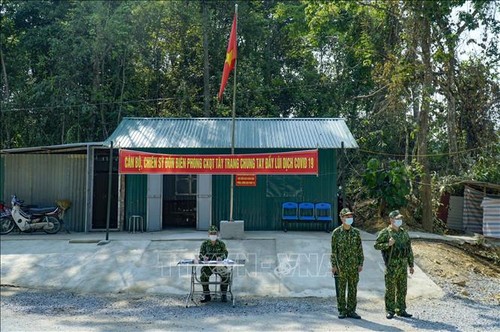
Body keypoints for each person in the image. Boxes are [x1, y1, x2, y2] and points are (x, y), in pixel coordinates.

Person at [374, 210, 414, 319]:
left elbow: (408, 249)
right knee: (390, 289)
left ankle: (401, 310)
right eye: (397, 219)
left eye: (400, 219)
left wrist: (411, 264)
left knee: (402, 289)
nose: (399, 221)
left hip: (402, 266)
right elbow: (376, 245)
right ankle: (390, 310)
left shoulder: (404, 233)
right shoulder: (385, 233)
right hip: (391, 265)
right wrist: (388, 244)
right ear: (391, 220)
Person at [330, 208, 364, 319]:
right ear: (341, 218)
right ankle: (342, 310)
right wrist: (334, 265)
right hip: (341, 267)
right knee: (340, 289)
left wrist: (360, 263)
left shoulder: (356, 233)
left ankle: (351, 311)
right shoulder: (336, 233)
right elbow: (333, 251)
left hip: (354, 266)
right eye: (347, 217)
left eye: (350, 217)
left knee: (353, 289)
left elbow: (360, 249)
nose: (349, 218)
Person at [198, 225, 230, 303]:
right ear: (208, 234)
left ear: (217, 234)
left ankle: (223, 295)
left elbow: (225, 253)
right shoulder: (204, 244)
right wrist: (203, 257)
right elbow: (200, 254)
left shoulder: (221, 244)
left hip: (219, 265)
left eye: (214, 233)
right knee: (203, 276)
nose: (213, 235)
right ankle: (207, 295)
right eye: (211, 233)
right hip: (208, 266)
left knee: (226, 275)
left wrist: (221, 258)